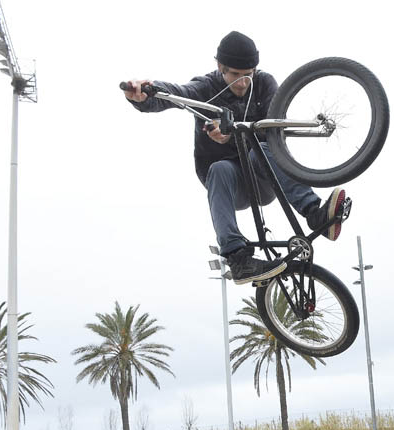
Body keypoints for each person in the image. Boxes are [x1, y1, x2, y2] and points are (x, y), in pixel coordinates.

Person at [121, 31, 349, 285]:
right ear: (220, 67)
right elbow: (177, 93)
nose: (242, 83)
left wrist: (233, 134)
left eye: (248, 74)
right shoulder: (206, 88)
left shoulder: (264, 84)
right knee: (218, 169)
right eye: (235, 76)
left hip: (264, 176)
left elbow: (276, 130)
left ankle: (316, 214)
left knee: (259, 149)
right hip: (232, 186)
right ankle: (237, 258)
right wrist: (145, 95)